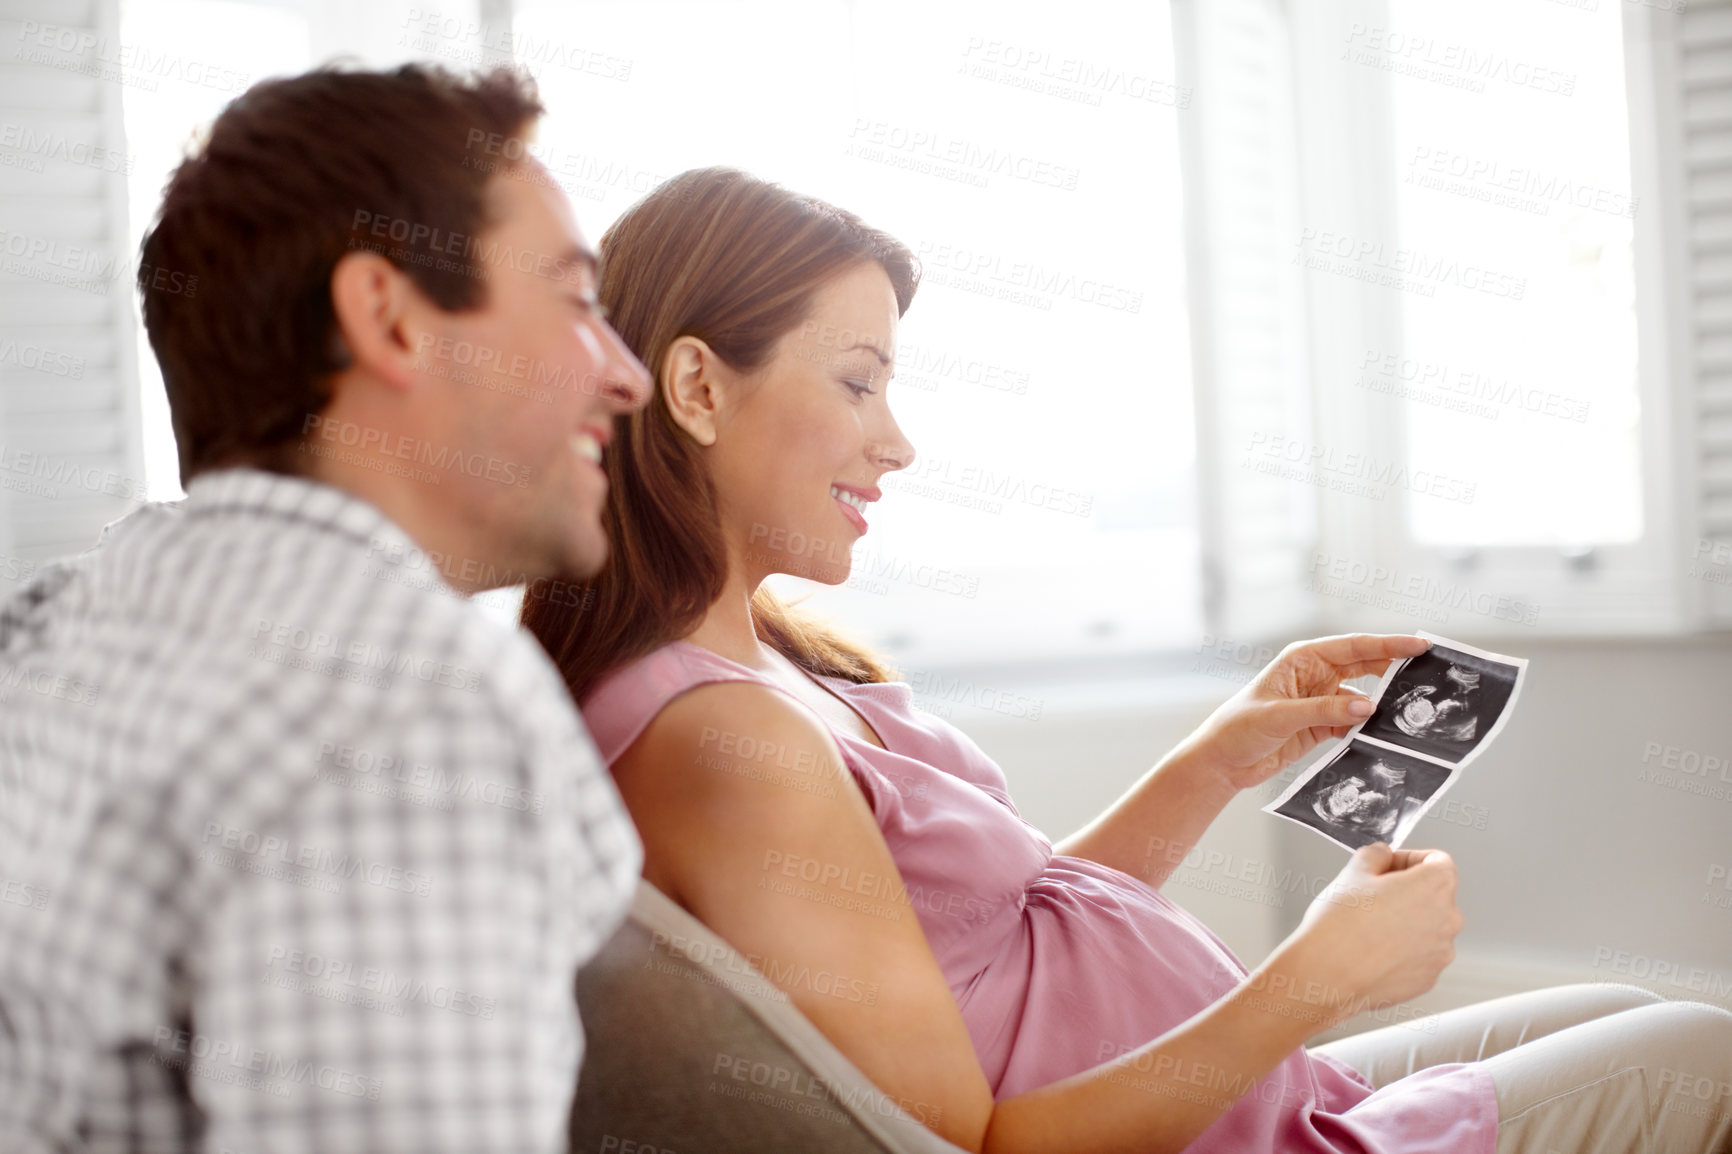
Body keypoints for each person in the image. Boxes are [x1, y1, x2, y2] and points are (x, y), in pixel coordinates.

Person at [522, 165, 1732, 1154]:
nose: (897, 442)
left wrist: (1211, 760)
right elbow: (969, 1145)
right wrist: (1315, 975)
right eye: (857, 383)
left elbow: (1003, 931)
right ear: (695, 386)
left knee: (1627, 1014)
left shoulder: (763, 665)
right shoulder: (723, 744)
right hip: (1226, 1128)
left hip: (1245, 1101)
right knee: (1704, 1053)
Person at [0, 64, 652, 1153]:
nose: (621, 374)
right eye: (578, 300)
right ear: (387, 318)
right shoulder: (406, 707)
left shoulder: (62, 619)